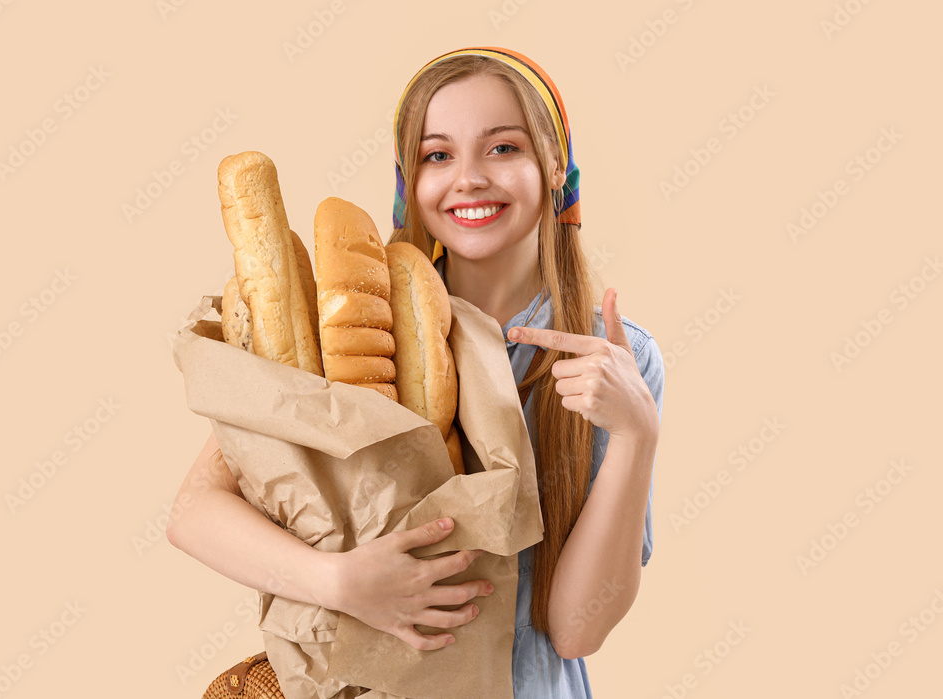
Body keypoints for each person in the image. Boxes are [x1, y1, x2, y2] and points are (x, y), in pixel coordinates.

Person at [168, 46, 664, 699]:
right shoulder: (349, 325)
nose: (468, 178)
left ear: (553, 167)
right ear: (410, 182)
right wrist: (338, 581)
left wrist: (635, 436)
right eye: (437, 155)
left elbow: (576, 630)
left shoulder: (611, 356)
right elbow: (193, 512)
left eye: (502, 148)